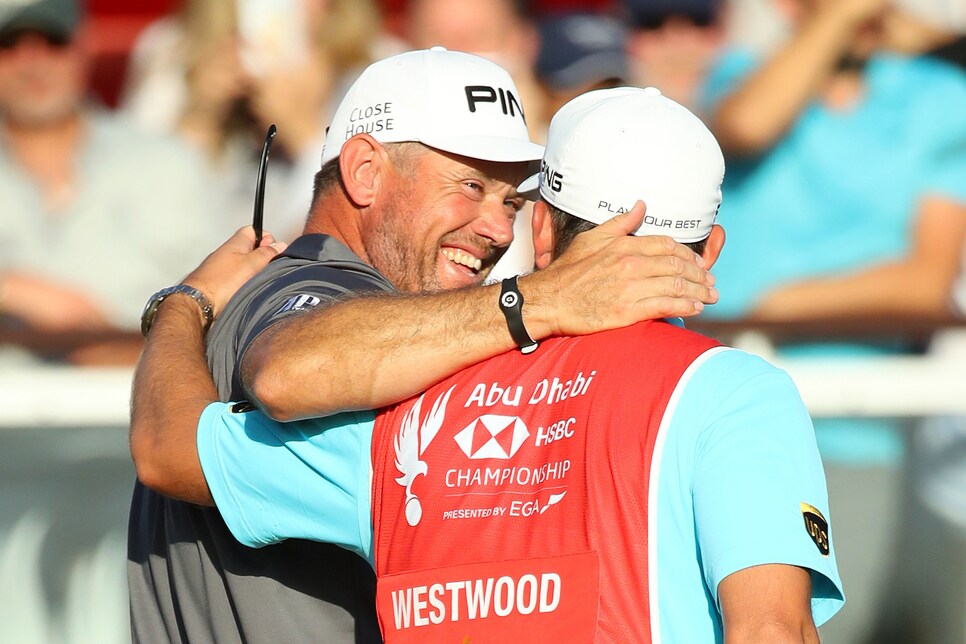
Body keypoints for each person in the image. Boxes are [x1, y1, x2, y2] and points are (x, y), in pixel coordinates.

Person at [130, 87, 843, 642]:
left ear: (540, 226)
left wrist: (183, 305)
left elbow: (168, 448)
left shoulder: (410, 414)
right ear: (710, 248)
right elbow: (772, 630)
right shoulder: (734, 394)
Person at [699, 0, 966, 641]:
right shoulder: (735, 73)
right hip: (720, 416)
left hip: (854, 432)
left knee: (829, 628)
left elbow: (927, 279)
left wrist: (783, 305)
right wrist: (837, 19)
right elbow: (747, 125)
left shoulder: (939, 97)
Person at [0, 0, 219, 365]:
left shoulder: (166, 163)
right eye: (10, 44)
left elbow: (231, 296)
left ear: (85, 46)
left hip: (139, 407)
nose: (33, 63)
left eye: (54, 41)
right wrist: (10, 289)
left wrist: (125, 348)